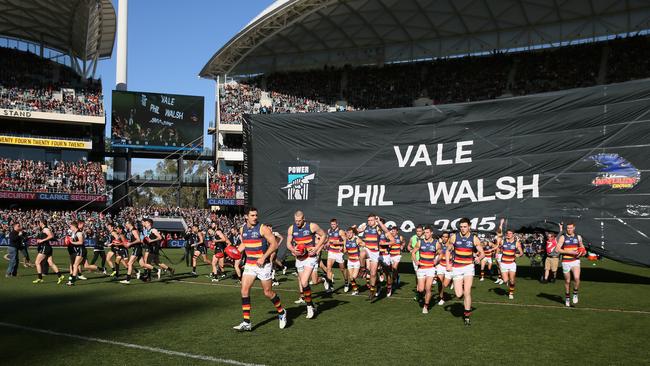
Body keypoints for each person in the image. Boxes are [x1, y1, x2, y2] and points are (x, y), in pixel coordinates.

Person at [232, 207, 287, 331]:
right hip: (250, 265)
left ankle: (282, 311)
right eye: (252, 215)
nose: (255, 217)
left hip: (263, 265)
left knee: (267, 292)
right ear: (246, 216)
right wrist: (235, 252)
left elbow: (274, 244)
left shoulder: (263, 228)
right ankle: (247, 322)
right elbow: (245, 243)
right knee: (244, 290)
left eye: (256, 215)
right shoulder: (242, 229)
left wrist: (264, 257)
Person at [287, 210, 327, 318]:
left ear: (304, 219)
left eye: (299, 221)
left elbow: (324, 235)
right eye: (296, 221)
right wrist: (292, 249)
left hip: (310, 257)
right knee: (303, 283)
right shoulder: (291, 228)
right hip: (299, 258)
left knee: (304, 281)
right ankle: (312, 304)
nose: (297, 223)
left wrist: (317, 248)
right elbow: (288, 243)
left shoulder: (312, 226)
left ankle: (309, 307)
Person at [446, 218, 484, 326]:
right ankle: (459, 285)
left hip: (468, 267)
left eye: (465, 226)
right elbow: (448, 251)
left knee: (467, 292)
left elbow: (482, 253)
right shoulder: (454, 237)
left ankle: (467, 316)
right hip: (457, 267)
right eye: (461, 227)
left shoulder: (474, 238)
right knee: (459, 295)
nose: (463, 229)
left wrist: (479, 258)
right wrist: (448, 264)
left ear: (469, 226)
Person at [359, 214, 394, 300]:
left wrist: (384, 244)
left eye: (374, 221)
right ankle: (374, 286)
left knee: (386, 273)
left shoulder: (382, 231)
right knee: (363, 255)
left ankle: (389, 287)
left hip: (384, 255)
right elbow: (358, 231)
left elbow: (392, 241)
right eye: (369, 220)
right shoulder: (368, 228)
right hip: (374, 253)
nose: (370, 222)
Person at [557, 222, 585, 307]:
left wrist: (583, 252)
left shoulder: (578, 237)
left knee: (576, 278)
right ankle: (567, 298)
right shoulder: (563, 237)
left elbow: (582, 247)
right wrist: (568, 251)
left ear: (574, 228)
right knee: (567, 281)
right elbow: (557, 249)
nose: (569, 229)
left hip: (575, 260)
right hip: (566, 261)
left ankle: (575, 293)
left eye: (571, 228)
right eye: (568, 228)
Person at [411, 226, 438, 313]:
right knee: (421, 289)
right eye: (424, 232)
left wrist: (436, 260)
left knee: (428, 288)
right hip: (421, 268)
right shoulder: (420, 242)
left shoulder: (436, 243)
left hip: (430, 268)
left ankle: (426, 306)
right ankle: (422, 296)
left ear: (431, 233)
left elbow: (441, 253)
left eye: (427, 232)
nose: (425, 234)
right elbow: (413, 252)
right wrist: (415, 261)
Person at [32, 220, 65, 284]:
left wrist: (42, 240)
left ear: (42, 223)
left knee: (37, 262)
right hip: (47, 247)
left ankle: (40, 278)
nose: (39, 224)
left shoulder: (45, 229)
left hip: (45, 247)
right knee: (50, 263)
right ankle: (60, 276)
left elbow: (51, 236)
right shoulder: (44, 229)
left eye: (39, 222)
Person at [499, 226, 524, 299]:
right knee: (505, 280)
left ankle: (511, 293)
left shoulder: (517, 243)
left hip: (512, 264)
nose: (509, 235)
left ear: (513, 234)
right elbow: (498, 248)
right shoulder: (502, 241)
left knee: (512, 280)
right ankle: (507, 282)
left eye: (510, 233)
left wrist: (518, 255)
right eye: (507, 233)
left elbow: (521, 253)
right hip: (503, 263)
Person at [325, 218, 347, 294]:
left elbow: (345, 240)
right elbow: (329, 239)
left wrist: (339, 244)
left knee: (342, 269)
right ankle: (330, 286)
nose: (333, 226)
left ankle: (346, 282)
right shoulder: (329, 230)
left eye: (334, 224)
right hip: (331, 251)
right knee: (328, 268)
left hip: (339, 253)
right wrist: (327, 243)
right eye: (332, 224)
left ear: (337, 224)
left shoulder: (340, 231)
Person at [343, 227, 364, 295]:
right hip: (350, 261)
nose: (349, 234)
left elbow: (364, 244)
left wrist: (362, 250)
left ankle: (363, 273)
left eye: (350, 233)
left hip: (356, 261)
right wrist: (343, 249)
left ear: (353, 233)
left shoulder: (357, 239)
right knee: (351, 278)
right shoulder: (346, 240)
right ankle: (356, 290)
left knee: (353, 277)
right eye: (347, 233)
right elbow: (345, 251)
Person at [435, 231, 452, 305]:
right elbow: (435, 252)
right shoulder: (439, 245)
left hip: (449, 266)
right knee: (439, 283)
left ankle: (451, 282)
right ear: (441, 237)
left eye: (446, 237)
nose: (444, 238)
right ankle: (441, 298)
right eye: (443, 237)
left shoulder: (451, 245)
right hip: (441, 265)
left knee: (445, 285)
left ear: (448, 238)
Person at [66, 221, 85, 286]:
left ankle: (72, 280)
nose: (70, 227)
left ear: (74, 226)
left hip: (81, 250)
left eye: (71, 226)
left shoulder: (79, 233)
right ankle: (72, 280)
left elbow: (81, 242)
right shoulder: (75, 232)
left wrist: (72, 242)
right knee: (75, 265)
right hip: (78, 250)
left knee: (76, 265)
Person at [389, 225, 405, 292]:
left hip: (397, 255)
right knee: (393, 269)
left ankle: (393, 283)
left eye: (394, 231)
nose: (393, 232)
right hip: (390, 255)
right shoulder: (389, 237)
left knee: (394, 268)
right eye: (392, 231)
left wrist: (402, 246)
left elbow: (404, 242)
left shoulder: (400, 237)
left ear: (397, 232)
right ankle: (397, 277)